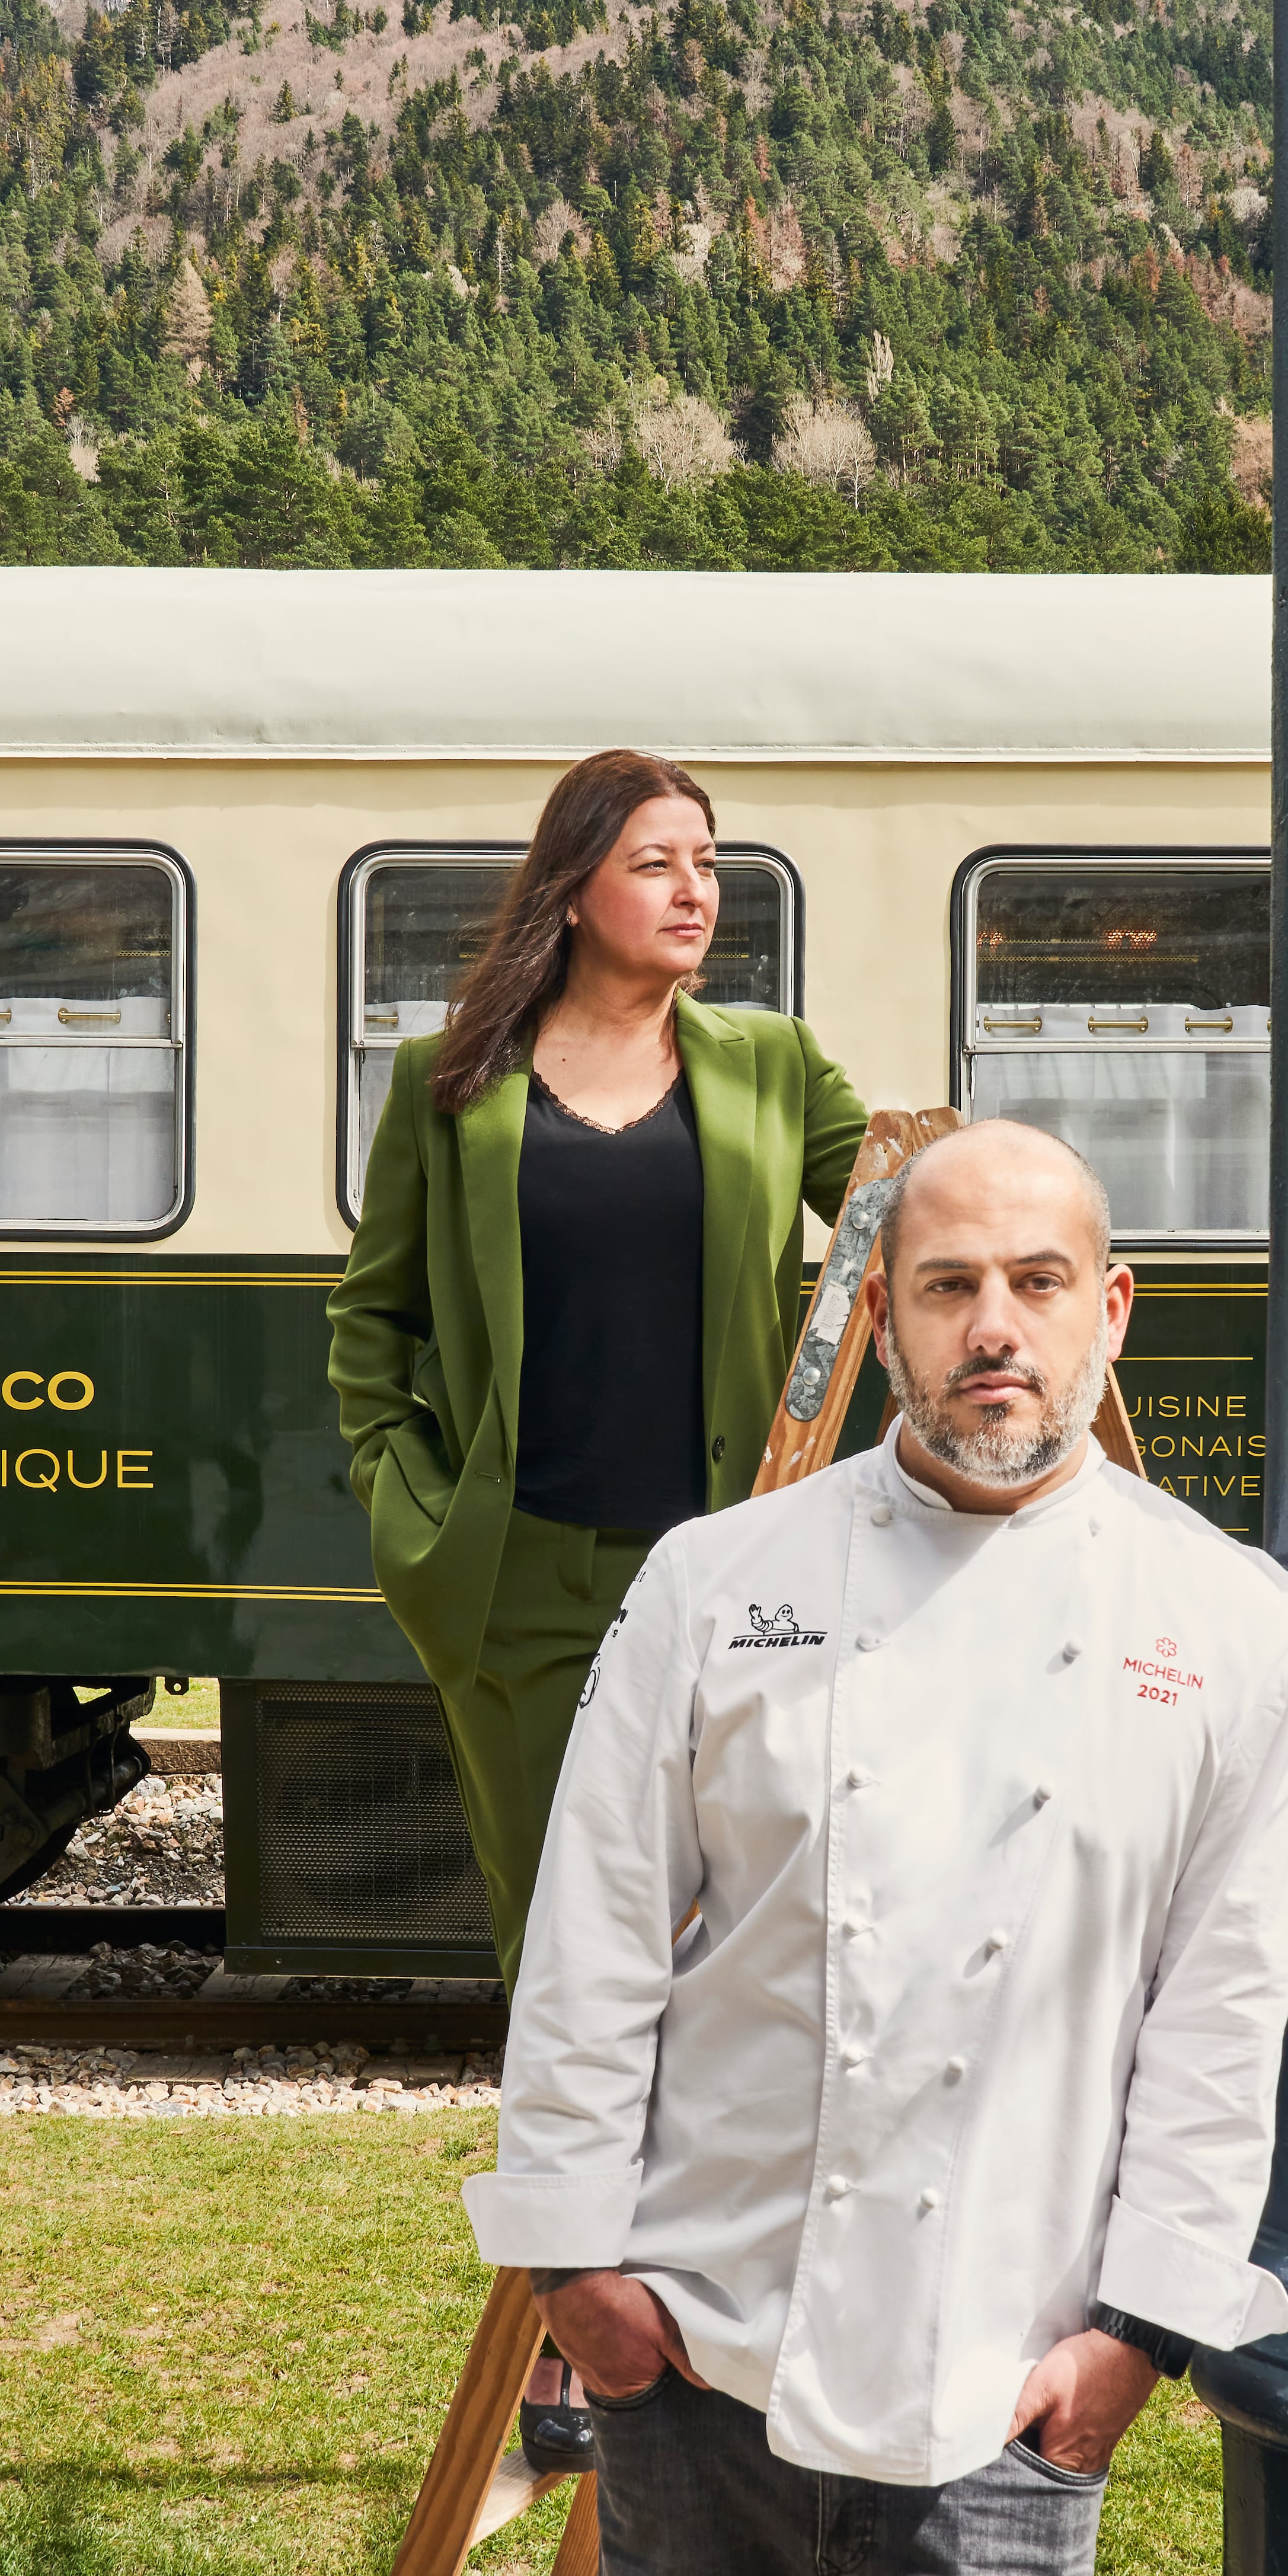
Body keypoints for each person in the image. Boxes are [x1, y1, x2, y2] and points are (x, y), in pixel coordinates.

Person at [465, 1113, 1288, 2576]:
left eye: (1035, 1287)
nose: (992, 1331)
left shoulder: (1229, 1620)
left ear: (1113, 1316)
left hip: (1009, 2379)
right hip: (704, 2350)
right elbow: (589, 1937)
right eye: (947, 1288)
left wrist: (1145, 2328)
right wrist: (574, 2258)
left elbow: (1226, 2005)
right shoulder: (720, 1582)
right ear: (887, 1319)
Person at [329, 747, 868, 2466]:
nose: (699, 889)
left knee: (733, 1931)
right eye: (659, 861)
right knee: (559, 1942)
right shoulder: (452, 1083)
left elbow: (915, 1192)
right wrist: (416, 1517)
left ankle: (707, 2288)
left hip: (734, 1577)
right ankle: (575, 2320)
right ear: (575, 889)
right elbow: (373, 1333)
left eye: (711, 861)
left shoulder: (774, 1069)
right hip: (525, 1577)